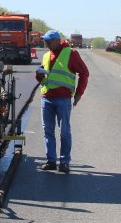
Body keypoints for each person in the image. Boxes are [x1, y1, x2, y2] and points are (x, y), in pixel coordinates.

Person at [35, 30, 89, 174]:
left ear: (57, 41)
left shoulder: (71, 53)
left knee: (64, 132)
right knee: (48, 131)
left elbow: (84, 73)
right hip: (46, 97)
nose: (45, 43)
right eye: (44, 40)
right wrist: (39, 75)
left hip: (63, 99)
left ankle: (64, 162)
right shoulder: (46, 55)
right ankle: (51, 161)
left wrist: (78, 94)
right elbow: (43, 77)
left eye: (48, 41)